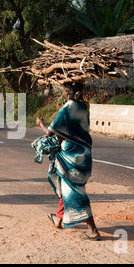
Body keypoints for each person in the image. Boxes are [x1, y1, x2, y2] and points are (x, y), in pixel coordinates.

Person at [34, 82, 100, 240]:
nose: (63, 95)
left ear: (68, 94)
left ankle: (93, 229)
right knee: (67, 185)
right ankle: (59, 217)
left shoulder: (67, 108)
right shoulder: (84, 107)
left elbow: (50, 132)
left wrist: (40, 123)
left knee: (75, 191)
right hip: (84, 153)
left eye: (64, 93)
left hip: (71, 154)